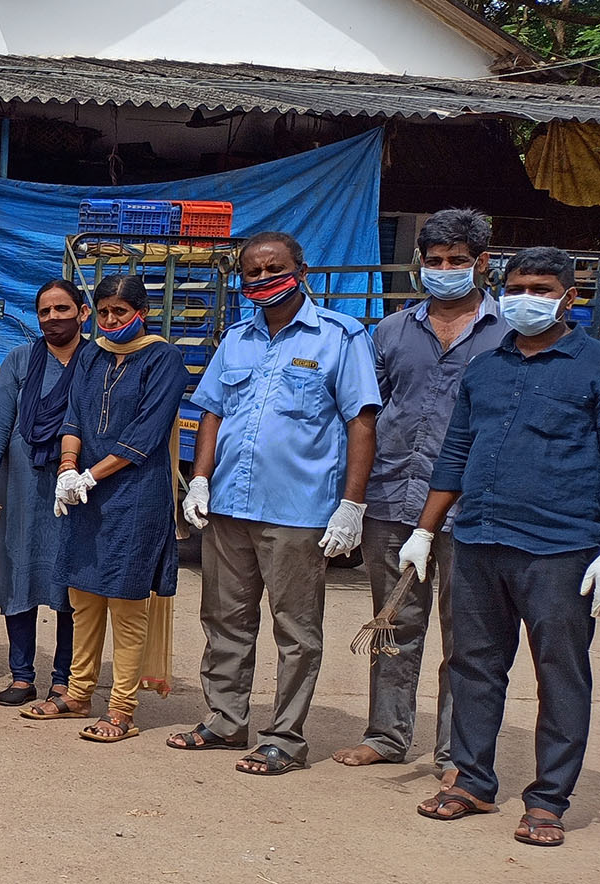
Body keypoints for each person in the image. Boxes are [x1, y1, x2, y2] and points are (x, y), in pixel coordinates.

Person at [401, 246, 598, 847]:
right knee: (474, 664)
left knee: (559, 673)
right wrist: (424, 530)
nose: (528, 299)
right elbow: (456, 451)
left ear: (569, 296)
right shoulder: (485, 368)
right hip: (479, 537)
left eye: (542, 289)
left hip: (560, 547)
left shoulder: (593, 366)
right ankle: (473, 780)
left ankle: (547, 801)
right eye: (518, 287)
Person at [174, 231, 381, 776]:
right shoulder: (237, 337)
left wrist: (351, 505)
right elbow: (212, 413)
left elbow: (361, 421)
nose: (263, 279)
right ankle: (224, 720)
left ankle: (285, 738)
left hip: (297, 511)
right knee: (224, 618)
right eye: (252, 272)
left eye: (274, 269)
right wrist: (199, 480)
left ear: (301, 270)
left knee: (295, 629)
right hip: (228, 508)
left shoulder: (340, 336)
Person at [335, 209, 506, 774]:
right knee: (394, 623)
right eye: (434, 261)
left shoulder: (507, 335)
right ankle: (386, 734)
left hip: (471, 508)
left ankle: (457, 751)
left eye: (457, 261)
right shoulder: (389, 331)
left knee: (468, 635)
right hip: (393, 501)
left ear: (481, 263)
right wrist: (352, 499)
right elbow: (364, 414)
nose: (445, 269)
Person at [28, 275, 192, 743]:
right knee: (82, 594)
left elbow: (146, 434)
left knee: (126, 599)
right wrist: (66, 467)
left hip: (135, 494)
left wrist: (90, 475)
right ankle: (78, 692)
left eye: (120, 311)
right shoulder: (93, 354)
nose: (110, 321)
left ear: (142, 310)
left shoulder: (164, 358)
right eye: (102, 312)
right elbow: (74, 416)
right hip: (83, 490)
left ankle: (122, 707)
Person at [0, 279, 96, 705]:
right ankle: (22, 674)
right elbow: (0, 424)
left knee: (68, 582)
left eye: (62, 309)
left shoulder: (97, 361)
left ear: (83, 313)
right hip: (22, 483)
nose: (52, 318)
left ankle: (64, 677)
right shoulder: (20, 359)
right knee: (19, 573)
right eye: (44, 311)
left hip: (75, 485)